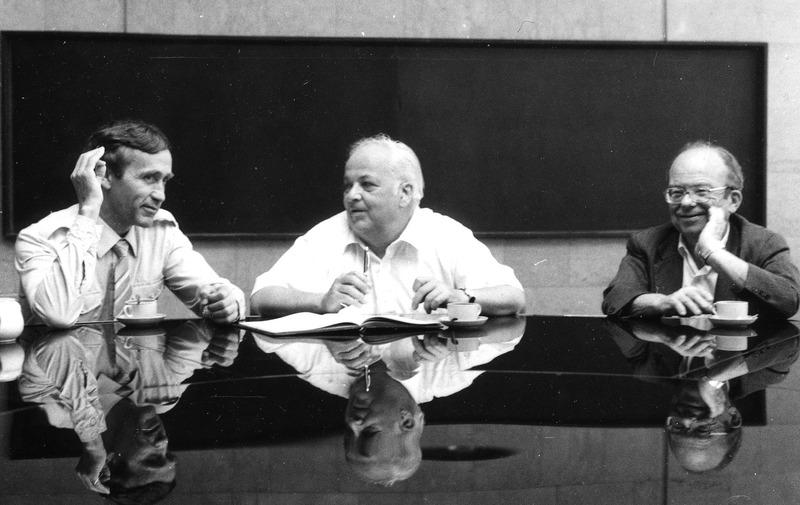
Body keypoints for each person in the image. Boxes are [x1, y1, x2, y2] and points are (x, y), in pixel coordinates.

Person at [251, 134, 525, 317]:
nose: (351, 195)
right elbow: (261, 298)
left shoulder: (445, 234)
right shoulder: (326, 235)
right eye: (348, 185)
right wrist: (321, 302)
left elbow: (513, 296)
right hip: (344, 369)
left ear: (405, 193)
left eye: (366, 184)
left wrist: (462, 296)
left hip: (427, 365)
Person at [15, 120, 245, 327]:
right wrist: (88, 210)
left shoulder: (161, 230)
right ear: (103, 176)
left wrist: (227, 303)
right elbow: (59, 315)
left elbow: (215, 290)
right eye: (149, 178)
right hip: (60, 369)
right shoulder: (40, 237)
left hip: (136, 371)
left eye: (164, 181)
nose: (161, 195)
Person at [602, 141, 800, 319]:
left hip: (738, 357)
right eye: (677, 193)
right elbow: (615, 299)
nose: (687, 202)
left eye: (702, 191)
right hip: (674, 354)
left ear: (733, 200)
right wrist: (662, 303)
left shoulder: (764, 243)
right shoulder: (647, 243)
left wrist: (714, 253)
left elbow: (789, 300)